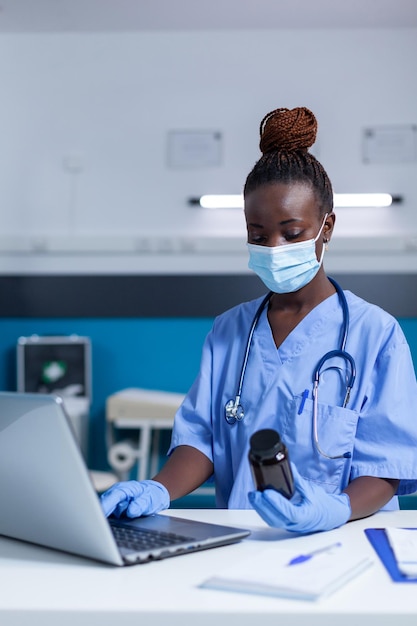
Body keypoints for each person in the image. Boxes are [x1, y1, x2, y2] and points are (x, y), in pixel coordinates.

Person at [101, 106, 417, 534]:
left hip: (346, 541)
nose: (273, 247)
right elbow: (201, 441)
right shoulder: (230, 332)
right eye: (257, 233)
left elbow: (386, 464)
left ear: (327, 228)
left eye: (292, 233)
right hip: (242, 540)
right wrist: (157, 489)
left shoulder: (375, 335)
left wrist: (335, 509)